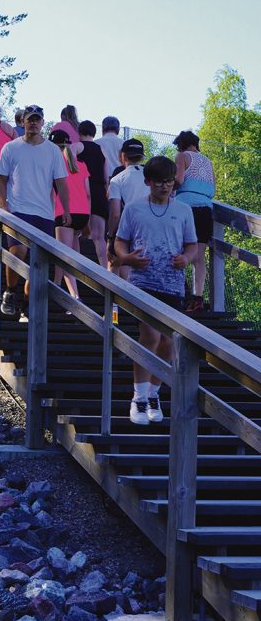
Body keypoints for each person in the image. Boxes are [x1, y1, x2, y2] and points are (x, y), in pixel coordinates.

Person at [115, 156, 197, 425]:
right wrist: (128, 259)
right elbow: (119, 243)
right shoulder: (135, 209)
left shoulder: (184, 210)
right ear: (148, 182)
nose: (165, 186)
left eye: (170, 181)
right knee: (149, 335)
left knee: (168, 341)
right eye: (160, 181)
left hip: (172, 283)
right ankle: (138, 397)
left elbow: (192, 246)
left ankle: (153, 393)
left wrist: (186, 258)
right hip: (143, 281)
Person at [0, 105, 71, 318]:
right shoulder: (11, 148)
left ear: (43, 123)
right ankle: (10, 292)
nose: (34, 123)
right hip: (18, 209)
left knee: (38, 264)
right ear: (23, 121)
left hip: (44, 214)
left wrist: (65, 209)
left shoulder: (52, 151)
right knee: (17, 252)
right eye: (30, 119)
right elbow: (0, 180)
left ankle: (27, 305)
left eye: (38, 120)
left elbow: (61, 183)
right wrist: (3, 206)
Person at [173, 130, 216, 311]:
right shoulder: (208, 161)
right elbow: (213, 189)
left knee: (179, 249)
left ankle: (183, 291)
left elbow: (179, 179)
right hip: (205, 209)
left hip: (185, 208)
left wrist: (166, 184)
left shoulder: (182, 156)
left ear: (181, 144)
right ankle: (198, 298)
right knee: (199, 257)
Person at [49, 129, 91, 303]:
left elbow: (51, 193)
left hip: (64, 213)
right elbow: (88, 192)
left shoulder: (53, 165)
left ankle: (75, 297)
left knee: (63, 256)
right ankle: (59, 285)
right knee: (73, 253)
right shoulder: (81, 165)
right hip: (82, 213)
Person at [107, 139, 148, 272]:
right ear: (142, 157)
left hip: (127, 228)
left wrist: (110, 236)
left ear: (123, 156)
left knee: (119, 264)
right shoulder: (151, 176)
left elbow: (115, 213)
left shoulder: (117, 180)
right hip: (150, 226)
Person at [77, 120, 109, 267]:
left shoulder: (77, 147)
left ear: (79, 132)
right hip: (99, 191)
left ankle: (76, 266)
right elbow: (105, 175)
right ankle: (104, 269)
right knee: (99, 236)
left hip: (81, 190)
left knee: (76, 231)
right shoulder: (101, 149)